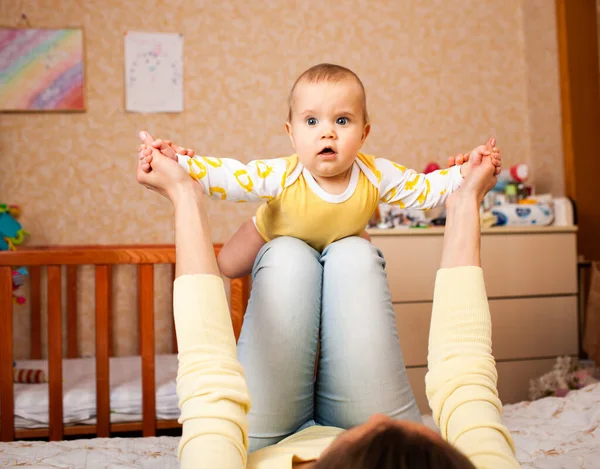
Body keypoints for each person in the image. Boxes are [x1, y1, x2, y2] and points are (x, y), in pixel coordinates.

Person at [136, 137, 521, 468]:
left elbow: (207, 375)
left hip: (265, 440)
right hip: (379, 421)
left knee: (288, 253)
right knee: (353, 252)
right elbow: (465, 374)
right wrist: (464, 199)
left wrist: (184, 193)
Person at [138, 63, 501, 279]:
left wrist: (467, 171)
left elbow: (423, 190)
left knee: (364, 263)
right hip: (273, 232)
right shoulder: (280, 173)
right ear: (292, 134)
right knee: (228, 266)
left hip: (342, 238)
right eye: (312, 121)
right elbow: (229, 177)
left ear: (364, 134)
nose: (327, 131)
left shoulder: (377, 173)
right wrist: (182, 162)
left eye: (342, 120)